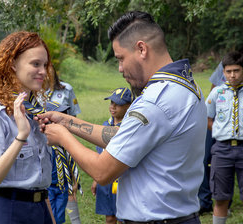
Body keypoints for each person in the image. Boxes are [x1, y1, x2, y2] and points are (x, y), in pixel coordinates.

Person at [35, 11, 207, 223]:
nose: (120, 68)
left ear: (141, 49)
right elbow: (121, 135)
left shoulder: (155, 102)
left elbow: (102, 171)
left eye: (121, 59)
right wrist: (67, 121)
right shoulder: (186, 86)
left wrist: (62, 137)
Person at [0, 31, 56, 224]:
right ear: (12, 64)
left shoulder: (36, 113)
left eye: (45, 65)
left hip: (39, 210)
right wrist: (21, 136)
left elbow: (39, 183)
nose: (43, 71)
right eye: (35, 64)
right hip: (7, 212)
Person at [205, 51, 243, 224]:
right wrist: (221, 131)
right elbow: (207, 117)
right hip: (222, 149)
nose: (232, 75)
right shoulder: (217, 93)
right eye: (228, 71)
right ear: (223, 72)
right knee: (220, 197)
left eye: (236, 70)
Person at [91, 87, 133, 224]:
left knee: (122, 217)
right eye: (111, 103)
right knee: (109, 217)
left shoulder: (129, 127)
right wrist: (97, 178)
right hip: (106, 179)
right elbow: (100, 152)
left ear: (129, 106)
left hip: (122, 179)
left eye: (118, 104)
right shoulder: (105, 125)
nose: (113, 107)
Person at [46, 67, 82, 224]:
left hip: (62, 143)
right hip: (45, 142)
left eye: (47, 68)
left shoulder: (67, 89)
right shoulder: (33, 91)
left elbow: (73, 117)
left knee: (64, 188)